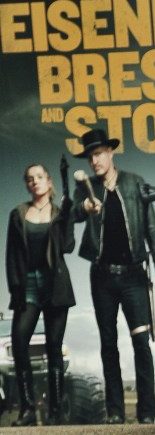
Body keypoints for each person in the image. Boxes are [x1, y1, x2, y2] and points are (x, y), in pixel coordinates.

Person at [72, 129, 155, 424]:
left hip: (134, 276)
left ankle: (147, 414)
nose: (95, 160)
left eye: (99, 154)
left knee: (141, 343)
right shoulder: (85, 189)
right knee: (108, 343)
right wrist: (85, 206)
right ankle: (114, 412)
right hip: (101, 277)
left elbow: (150, 226)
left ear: (111, 153)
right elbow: (74, 211)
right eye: (90, 156)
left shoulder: (134, 182)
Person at [5, 164, 75, 426]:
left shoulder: (59, 212)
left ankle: (55, 412)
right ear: (28, 184)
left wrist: (67, 216)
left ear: (49, 181)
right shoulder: (18, 214)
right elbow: (11, 255)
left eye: (39, 177)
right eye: (29, 178)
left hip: (56, 285)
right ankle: (27, 410)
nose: (34, 182)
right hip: (28, 285)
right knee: (20, 342)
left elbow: (68, 246)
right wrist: (15, 289)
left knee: (54, 347)